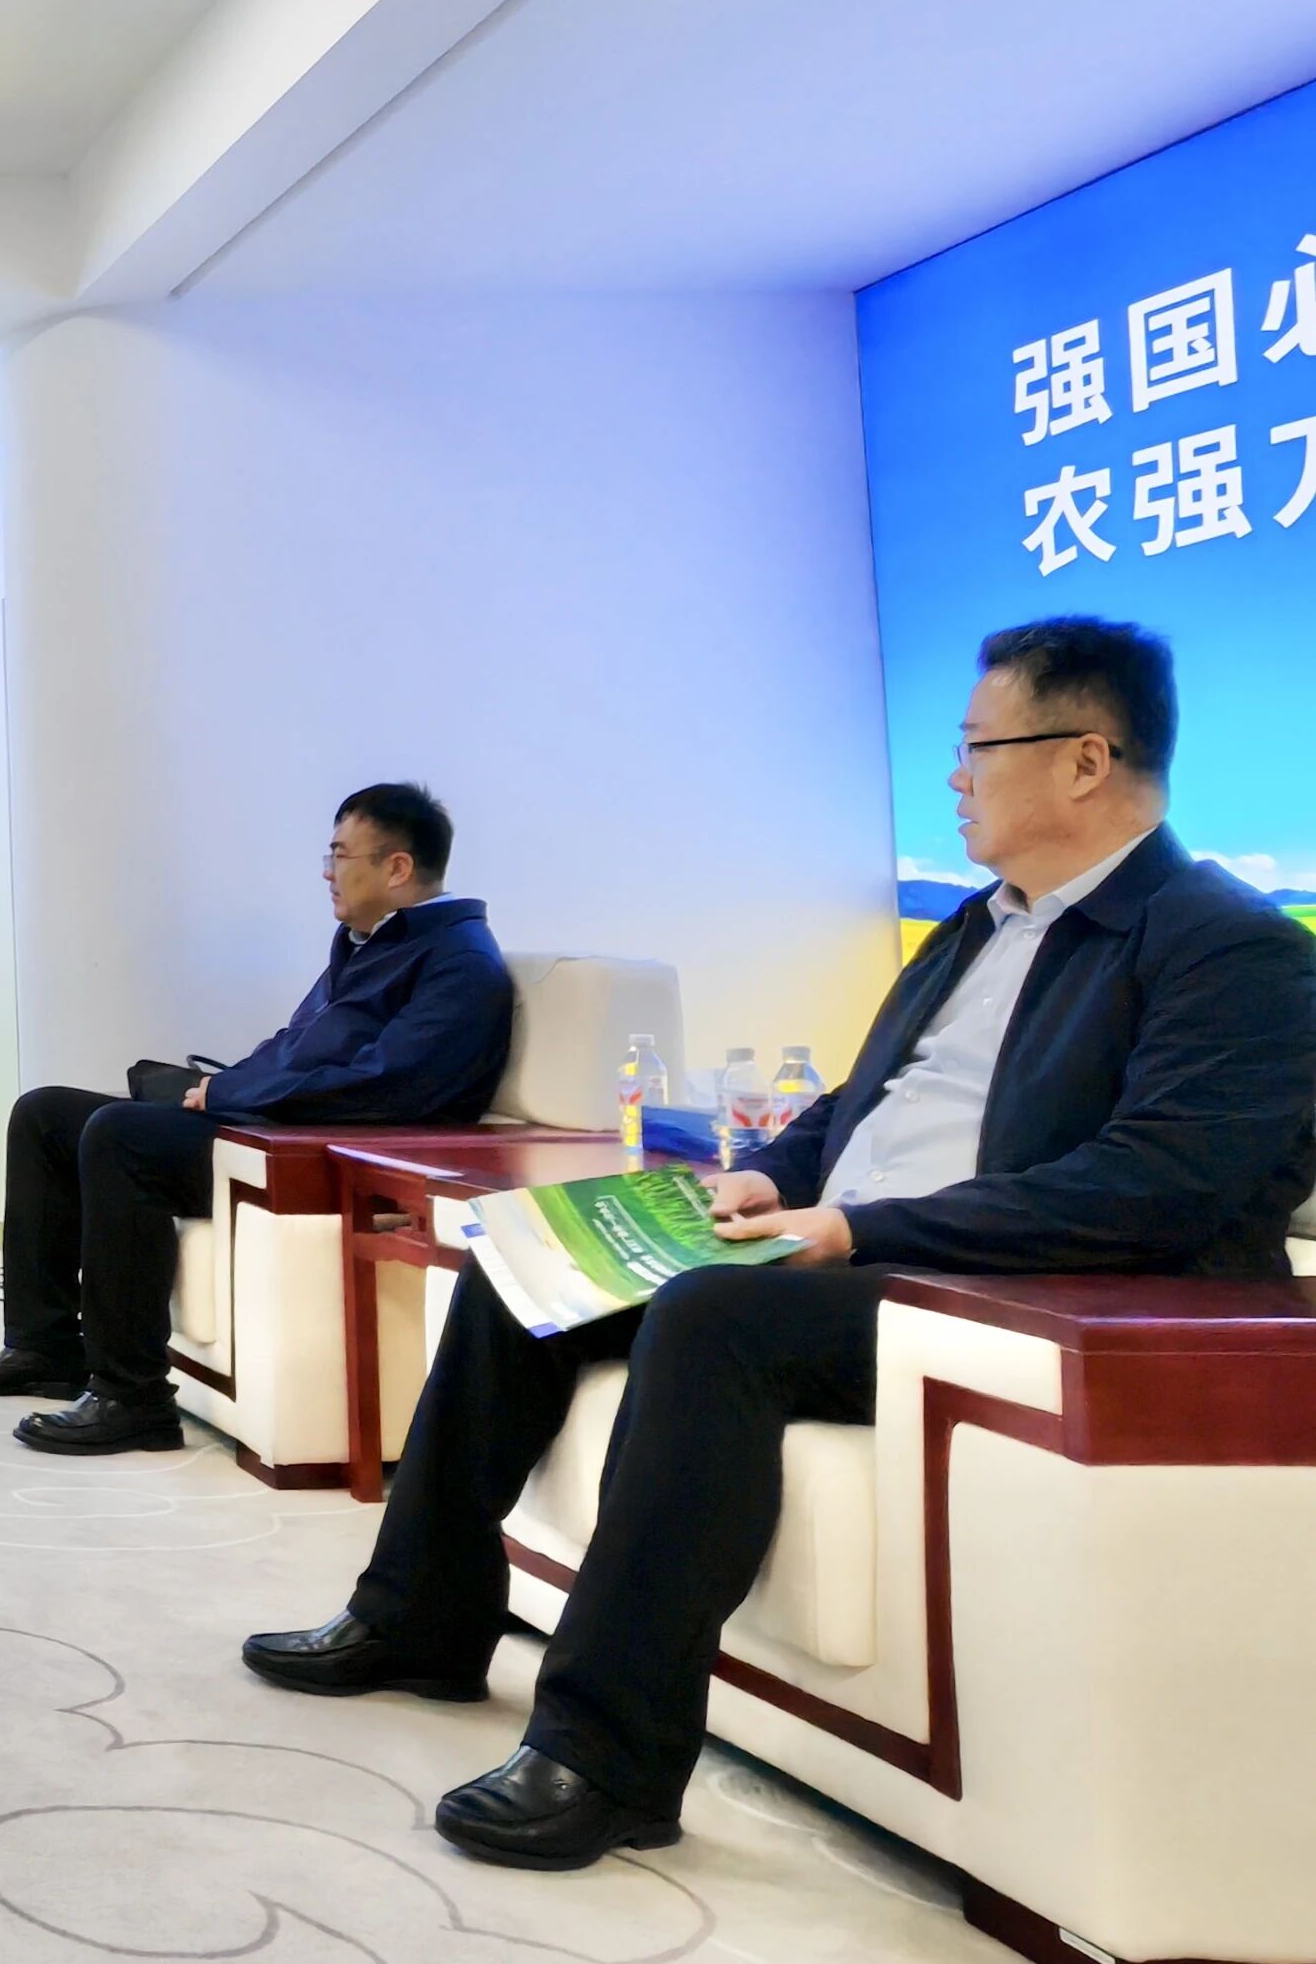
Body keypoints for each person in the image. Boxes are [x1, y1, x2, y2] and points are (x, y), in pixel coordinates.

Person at [240, 619, 1316, 1872]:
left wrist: (857, 1226)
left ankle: (606, 1756)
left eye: (976, 747)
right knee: (527, 1255)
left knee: (714, 1318)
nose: (954, 777)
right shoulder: (978, 926)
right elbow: (862, 1099)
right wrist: (770, 1177)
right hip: (860, 1251)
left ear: (1086, 759)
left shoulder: (1228, 946)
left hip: (1002, 1290)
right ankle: (417, 1620)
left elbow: (1155, 1188)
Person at [0, 783, 514, 1455]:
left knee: (121, 1137)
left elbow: (390, 1088)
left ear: (398, 867)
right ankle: (45, 1348)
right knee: (45, 1115)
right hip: (268, 1124)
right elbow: (296, 1045)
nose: (327, 872)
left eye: (340, 855)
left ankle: (133, 1397)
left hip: (310, 1151)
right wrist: (219, 1086)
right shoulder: (370, 942)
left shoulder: (460, 962)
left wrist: (231, 1094)